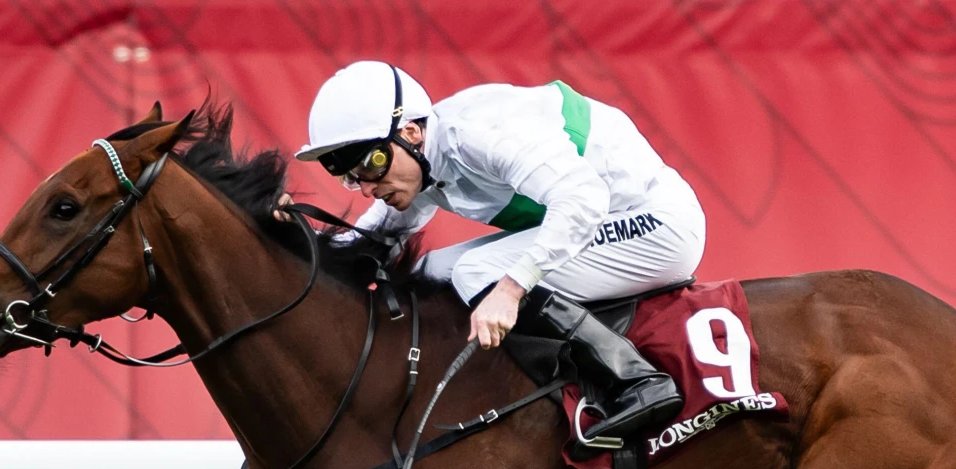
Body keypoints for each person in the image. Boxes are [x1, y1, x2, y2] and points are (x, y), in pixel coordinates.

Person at [289, 61, 705, 443]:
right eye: (349, 177)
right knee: (430, 272)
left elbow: (583, 199)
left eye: (373, 164)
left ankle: (636, 380)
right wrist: (292, 239)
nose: (366, 187)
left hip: (656, 226)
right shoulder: (420, 161)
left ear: (412, 133)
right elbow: (368, 245)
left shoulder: (478, 135)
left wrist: (511, 290)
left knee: (475, 272)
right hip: (602, 223)